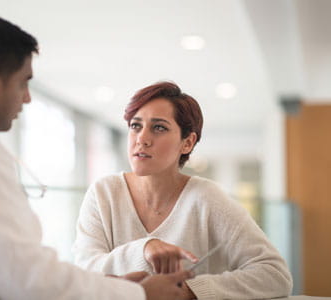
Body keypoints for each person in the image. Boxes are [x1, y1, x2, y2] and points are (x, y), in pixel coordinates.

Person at [0, 15, 194, 300]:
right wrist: (136, 295)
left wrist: (110, 288)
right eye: (23, 83)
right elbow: (28, 280)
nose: (26, 98)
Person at [72, 81, 293, 299]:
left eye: (158, 127)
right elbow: (83, 273)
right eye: (135, 126)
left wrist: (189, 291)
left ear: (187, 142)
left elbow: (275, 274)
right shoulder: (103, 193)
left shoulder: (207, 198)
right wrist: (143, 249)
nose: (142, 139)